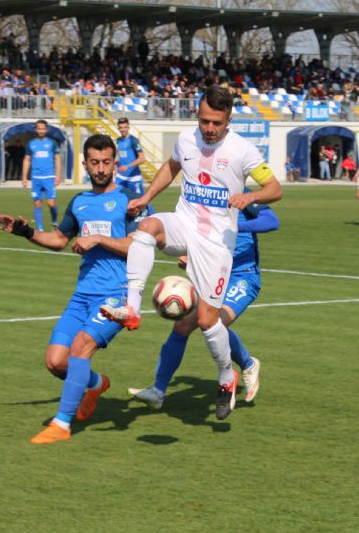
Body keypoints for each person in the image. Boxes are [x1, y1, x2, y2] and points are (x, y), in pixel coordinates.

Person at [101, 85, 282, 421]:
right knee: (147, 228)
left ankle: (227, 377)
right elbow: (171, 167)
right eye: (203, 121)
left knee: (205, 322)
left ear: (228, 119)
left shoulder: (243, 150)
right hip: (184, 222)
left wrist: (250, 198)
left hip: (215, 242)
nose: (208, 128)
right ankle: (131, 307)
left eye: (215, 122)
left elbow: (275, 188)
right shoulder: (186, 140)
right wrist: (145, 197)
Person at [0, 134, 141, 444]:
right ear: (86, 164)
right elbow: (60, 240)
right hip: (82, 294)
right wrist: (26, 232)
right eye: (94, 163)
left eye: (106, 162)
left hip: (116, 294)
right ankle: (97, 383)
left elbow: (139, 247)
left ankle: (61, 425)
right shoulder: (80, 202)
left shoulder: (131, 200)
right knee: (56, 361)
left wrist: (99, 240)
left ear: (115, 163)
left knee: (80, 349)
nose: (100, 169)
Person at [129, 201, 280, 410]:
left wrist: (237, 226)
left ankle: (248, 365)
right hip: (213, 274)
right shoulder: (201, 197)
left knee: (213, 322)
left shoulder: (241, 195)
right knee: (182, 327)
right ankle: (158, 391)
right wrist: (190, 257)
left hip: (241, 277)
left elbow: (271, 221)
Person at [21, 119, 62, 231]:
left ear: (46, 129)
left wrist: (58, 176)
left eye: (43, 128)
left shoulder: (52, 143)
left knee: (51, 204)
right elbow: (27, 159)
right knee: (37, 203)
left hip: (49, 177)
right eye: (39, 128)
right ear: (36, 129)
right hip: (36, 178)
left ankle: (54, 222)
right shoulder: (31, 144)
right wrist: (24, 177)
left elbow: (57, 159)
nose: (41, 130)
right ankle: (40, 229)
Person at [114, 117, 146, 197]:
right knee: (116, 198)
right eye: (121, 127)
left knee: (140, 202)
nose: (123, 129)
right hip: (121, 177)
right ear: (118, 128)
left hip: (134, 178)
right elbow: (118, 157)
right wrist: (115, 168)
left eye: (125, 127)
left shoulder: (133, 140)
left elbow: (142, 159)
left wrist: (127, 166)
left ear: (128, 127)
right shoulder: (118, 141)